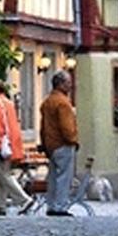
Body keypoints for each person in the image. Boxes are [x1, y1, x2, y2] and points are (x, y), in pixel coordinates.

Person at [0, 78, 30, 214]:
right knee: (0, 173)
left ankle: (24, 199)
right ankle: (0, 205)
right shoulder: (8, 103)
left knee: (2, 174)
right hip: (12, 143)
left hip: (2, 144)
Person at [39, 69, 79, 216]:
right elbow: (66, 127)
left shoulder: (47, 102)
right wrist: (73, 140)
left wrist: (44, 143)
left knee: (53, 178)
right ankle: (60, 206)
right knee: (64, 177)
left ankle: (51, 205)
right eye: (68, 83)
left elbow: (43, 126)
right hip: (63, 144)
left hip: (51, 145)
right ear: (60, 84)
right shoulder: (63, 103)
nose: (71, 86)